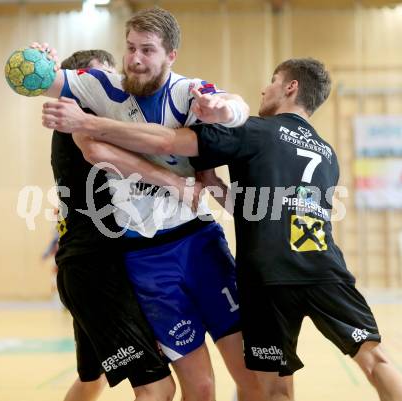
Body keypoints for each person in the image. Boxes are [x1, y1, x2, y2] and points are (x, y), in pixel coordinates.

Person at [45, 57, 402, 401]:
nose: (264, 90)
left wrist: (89, 123)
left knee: (275, 389)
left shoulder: (255, 131)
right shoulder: (327, 153)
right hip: (323, 267)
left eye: (272, 82)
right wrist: (213, 183)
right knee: (376, 360)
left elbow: (168, 142)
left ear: (291, 87)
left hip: (267, 277)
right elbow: (260, 211)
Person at [36, 7, 263, 401]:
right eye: (130, 48)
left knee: (250, 375)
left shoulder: (186, 92)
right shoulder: (101, 87)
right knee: (201, 385)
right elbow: (46, 83)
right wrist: (40, 64)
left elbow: (234, 105)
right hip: (145, 258)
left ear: (170, 55)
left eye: (147, 50)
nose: (136, 59)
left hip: (198, 243)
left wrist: (222, 110)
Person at [50, 49, 179, 401]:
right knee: (157, 388)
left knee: (92, 381)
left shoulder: (86, 121)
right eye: (97, 80)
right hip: (95, 270)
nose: (109, 87)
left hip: (86, 266)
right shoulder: (81, 124)